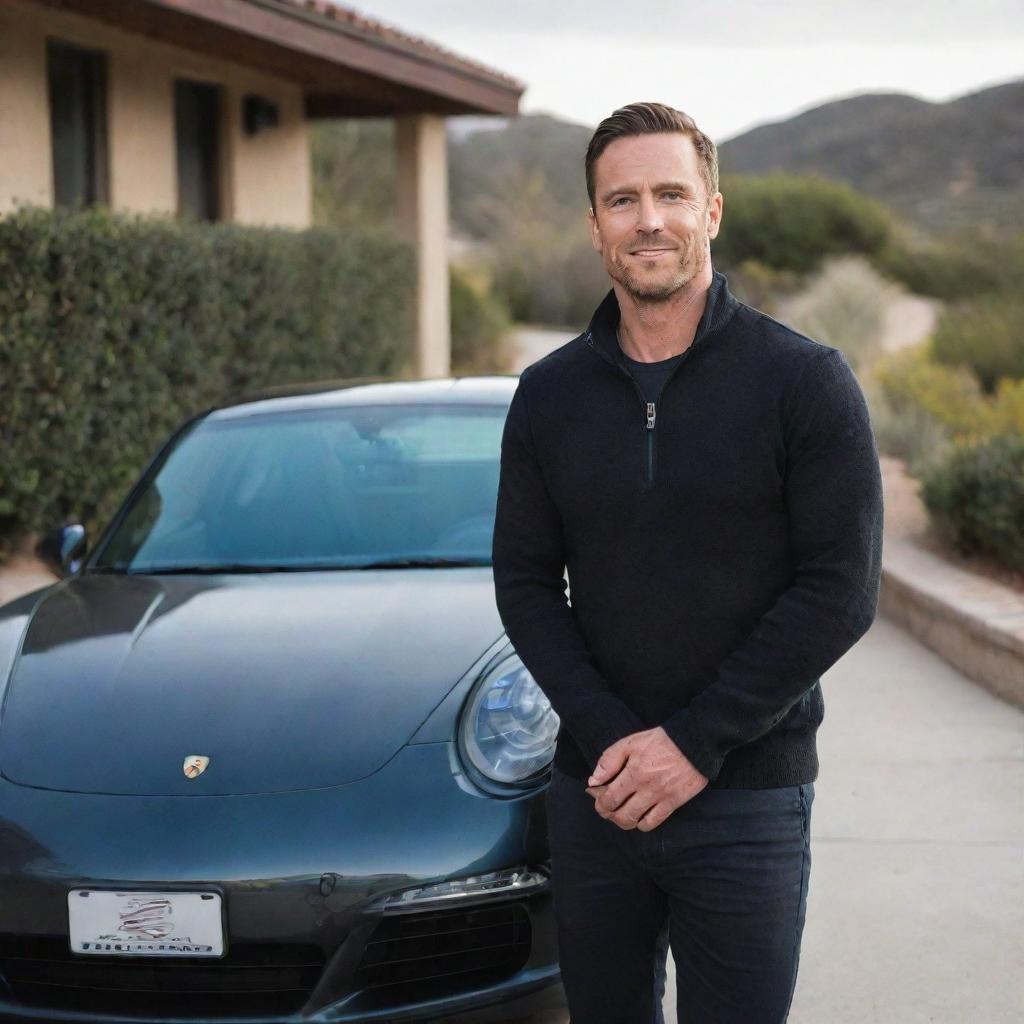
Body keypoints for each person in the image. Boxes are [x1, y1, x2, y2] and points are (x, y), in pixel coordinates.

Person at [491, 101, 883, 1024]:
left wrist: (692, 745)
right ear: (595, 229)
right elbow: (524, 580)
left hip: (747, 802)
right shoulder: (548, 397)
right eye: (621, 200)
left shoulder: (804, 382)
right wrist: (613, 740)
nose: (648, 219)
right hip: (598, 798)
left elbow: (839, 591)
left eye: (671, 193)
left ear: (712, 210)